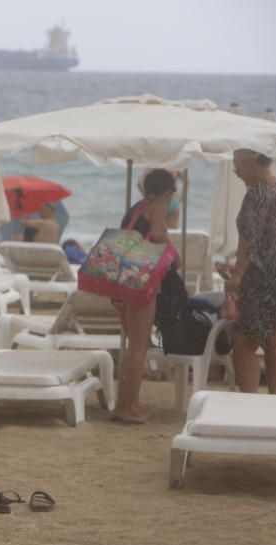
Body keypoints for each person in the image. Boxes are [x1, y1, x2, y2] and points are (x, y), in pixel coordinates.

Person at [113, 168, 177, 423]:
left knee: (132, 348)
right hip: (141, 282)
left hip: (122, 281)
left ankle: (122, 405)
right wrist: (175, 254)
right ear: (168, 191)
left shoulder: (138, 206)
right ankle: (129, 408)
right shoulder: (159, 204)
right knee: (139, 347)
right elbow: (159, 235)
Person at [226, 149, 276, 393]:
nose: (237, 174)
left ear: (251, 163)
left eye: (237, 168)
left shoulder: (256, 193)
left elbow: (248, 239)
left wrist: (237, 276)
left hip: (261, 279)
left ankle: (248, 402)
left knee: (243, 341)